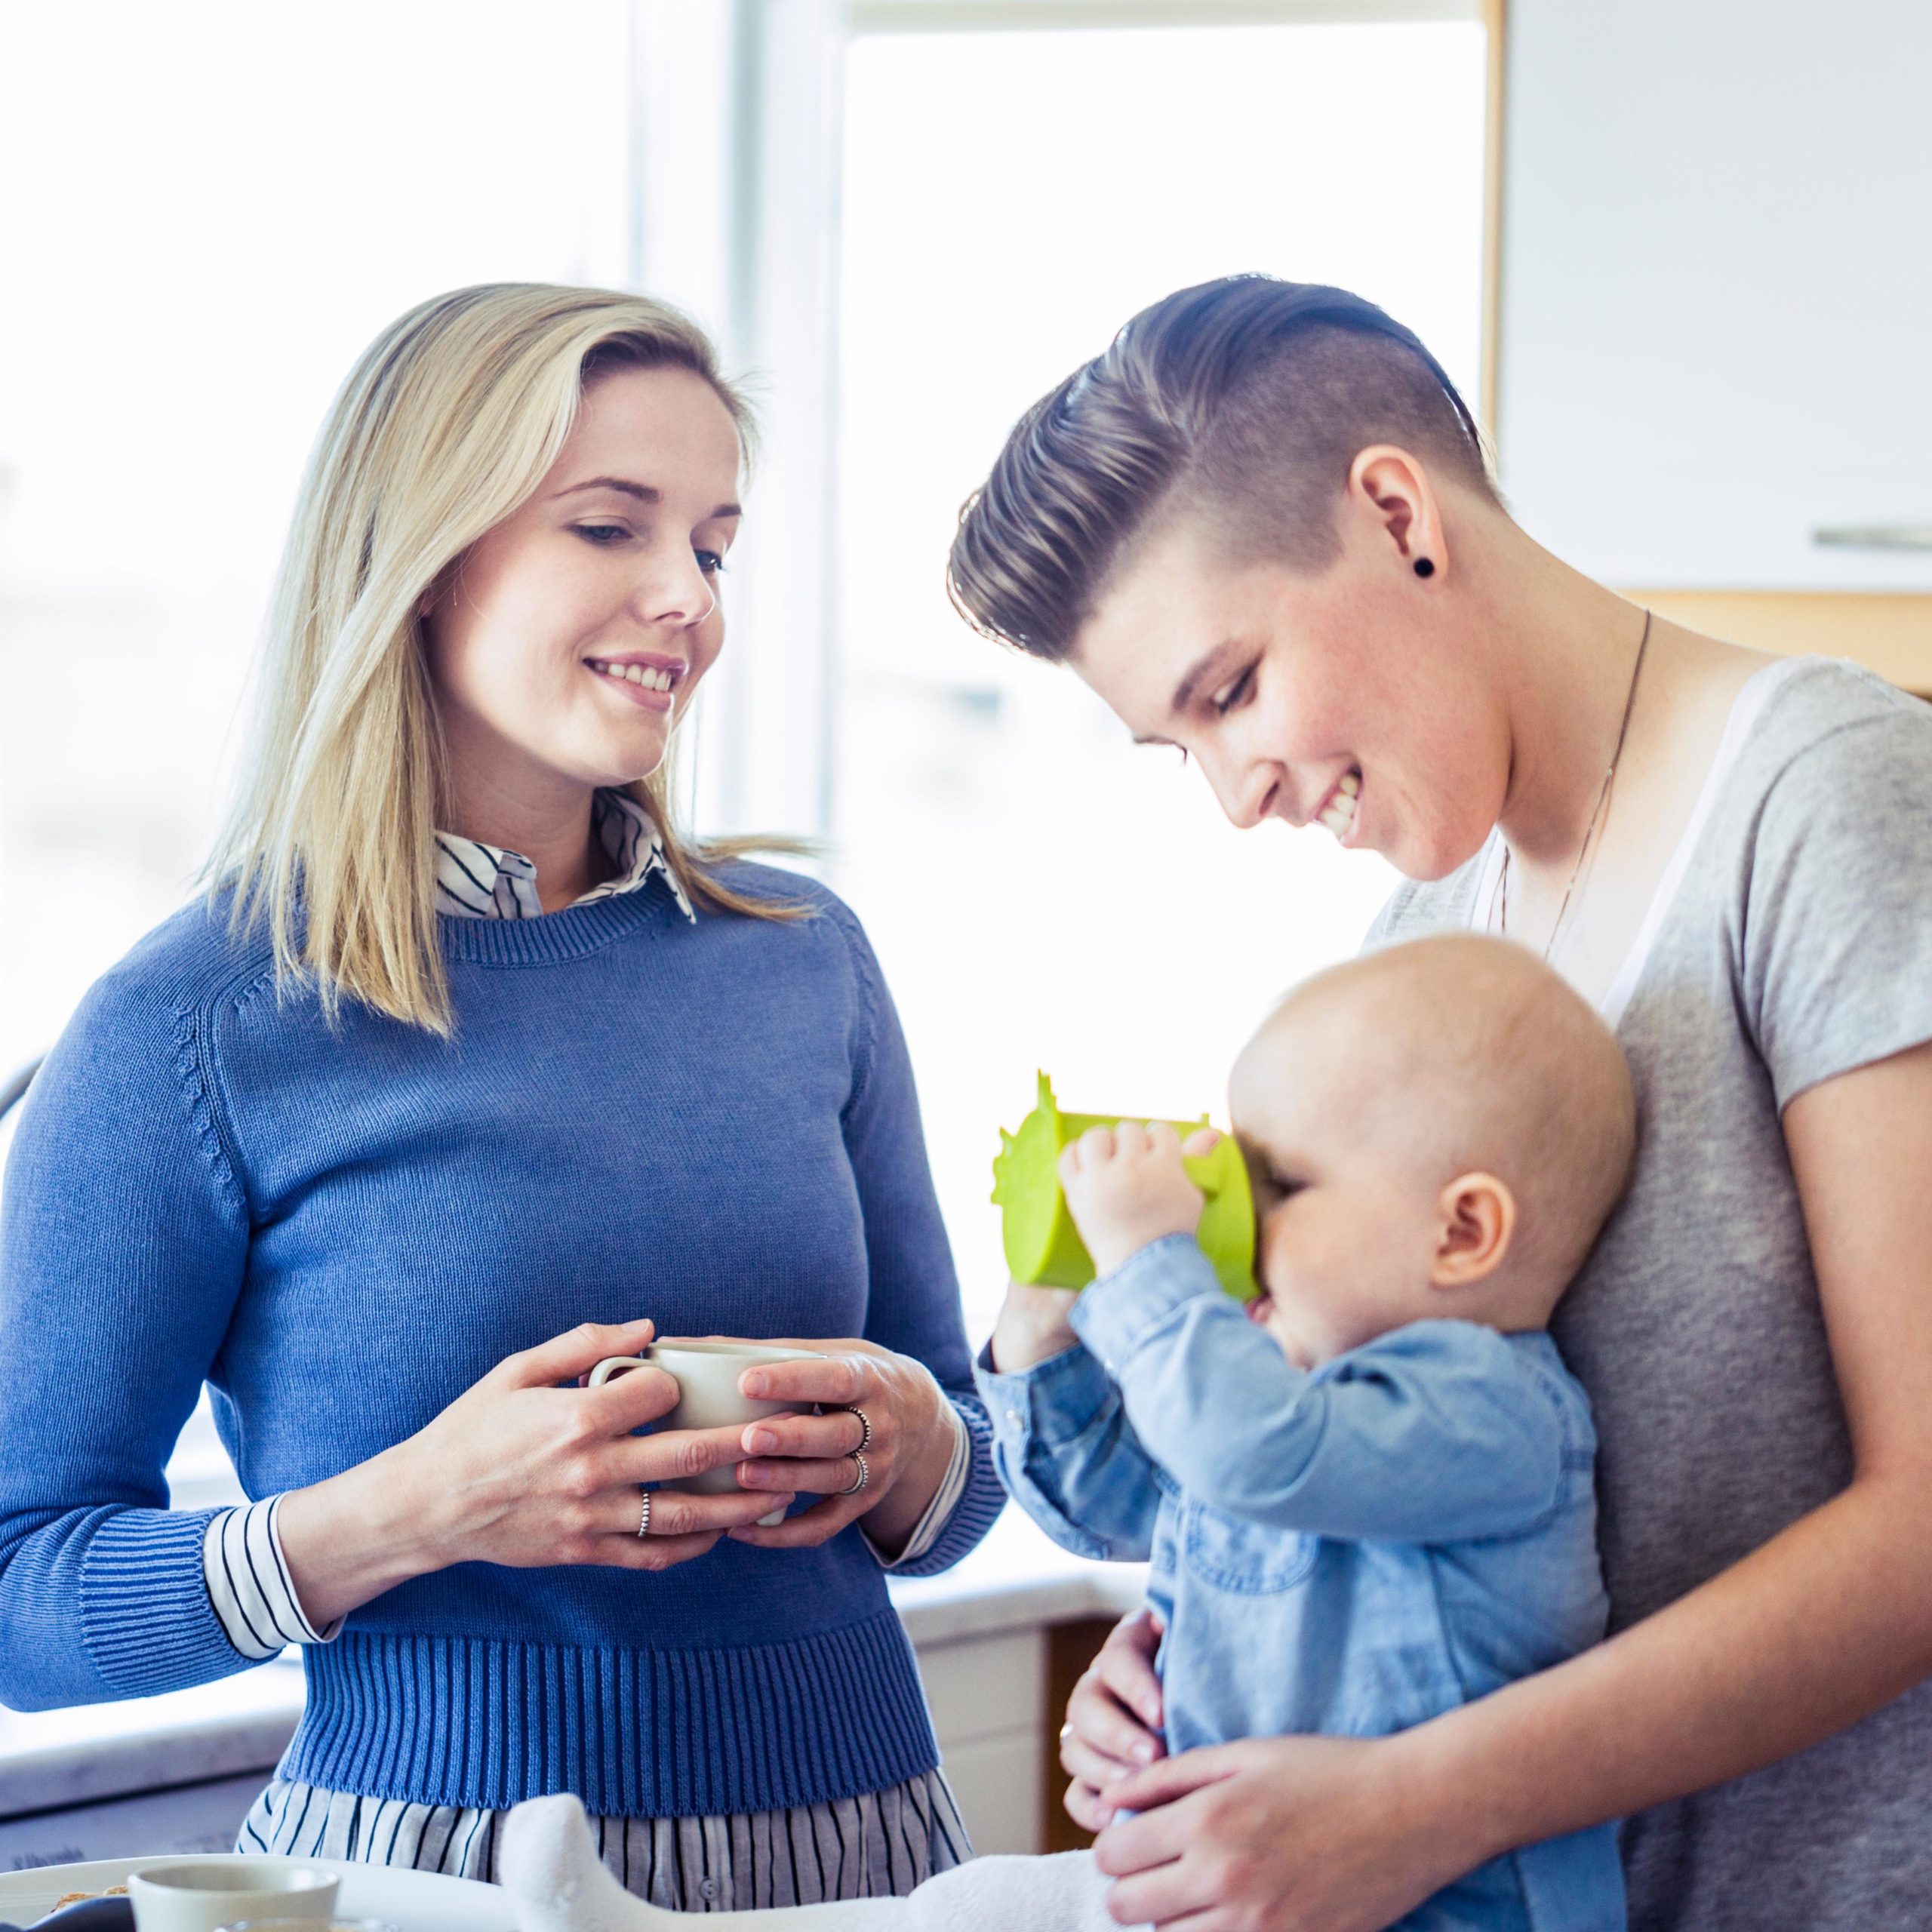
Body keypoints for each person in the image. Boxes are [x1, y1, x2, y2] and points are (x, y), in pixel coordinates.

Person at [945, 274, 1932, 1931]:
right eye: (1173, 748)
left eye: (1230, 688)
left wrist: (1413, 1801)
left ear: (1394, 512)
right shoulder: (1426, 930)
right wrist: (1208, 1636)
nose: (1235, 794)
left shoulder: (1816, 798)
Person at [0, 284, 1004, 1906]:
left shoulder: (804, 959)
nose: (683, 597)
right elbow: (20, 1598)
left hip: (867, 1857)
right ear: (416, 558)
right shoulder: (193, 1021)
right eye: (609, 526)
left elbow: (961, 1460)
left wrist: (901, 1446)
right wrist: (412, 1510)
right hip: (433, 1878)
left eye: (715, 543)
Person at [491, 934, 1637, 1932]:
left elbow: (1252, 1451)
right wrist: (1046, 1307)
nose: (1233, 1218)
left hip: (1434, 1907)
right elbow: (1103, 1500)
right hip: (1241, 1880)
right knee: (981, 1908)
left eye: (1277, 1184)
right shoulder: (1273, 1384)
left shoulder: (1487, 1413)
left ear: (1465, 1232)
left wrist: (1150, 1258)